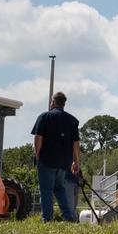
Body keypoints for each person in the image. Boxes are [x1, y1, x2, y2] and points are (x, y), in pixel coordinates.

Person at [31, 91, 80, 222]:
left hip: (47, 161)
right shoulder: (72, 120)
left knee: (46, 191)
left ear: (53, 102)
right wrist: (76, 162)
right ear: (64, 103)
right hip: (63, 163)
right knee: (60, 190)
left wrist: (37, 155)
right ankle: (68, 216)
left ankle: (47, 219)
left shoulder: (44, 117)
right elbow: (76, 143)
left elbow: (38, 138)